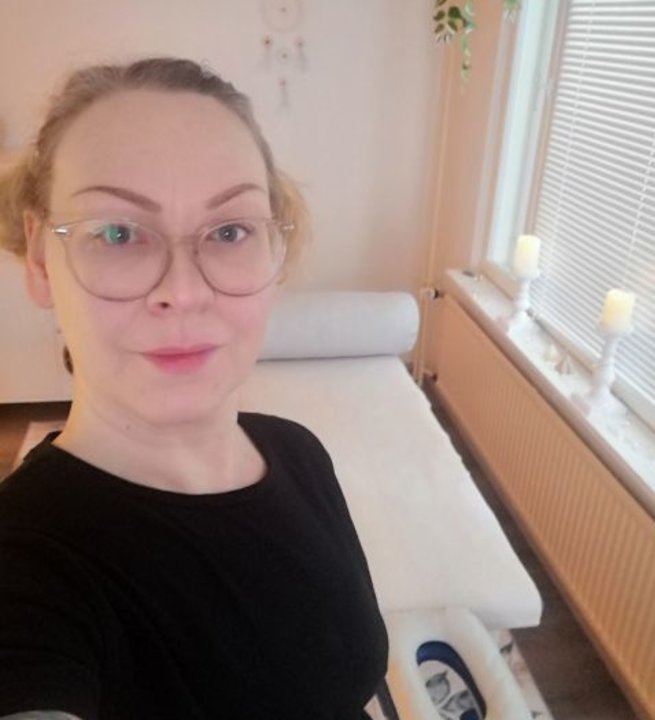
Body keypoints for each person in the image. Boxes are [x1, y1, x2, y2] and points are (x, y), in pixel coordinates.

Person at [0, 57, 388, 719]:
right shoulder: (28, 566)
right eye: (118, 233)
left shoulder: (299, 452)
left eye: (230, 231)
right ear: (40, 261)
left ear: (273, 249)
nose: (182, 292)